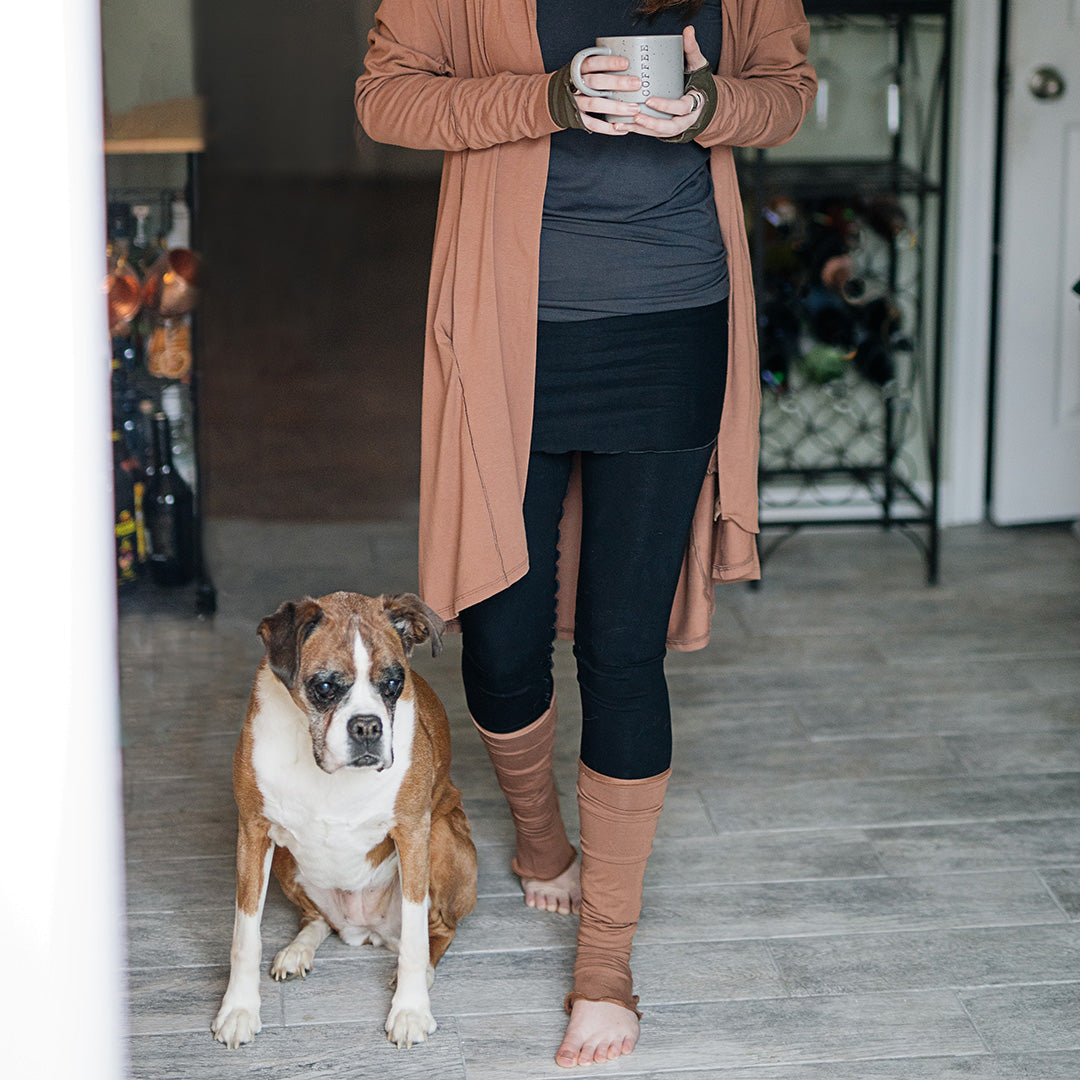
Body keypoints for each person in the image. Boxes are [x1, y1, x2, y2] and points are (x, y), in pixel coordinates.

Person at [355, 0, 815, 1067]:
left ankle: (605, 963)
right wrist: (549, 99)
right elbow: (385, 96)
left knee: (622, 648)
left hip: (672, 325)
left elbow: (785, 96)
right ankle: (540, 834)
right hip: (509, 331)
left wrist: (705, 106)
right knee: (503, 645)